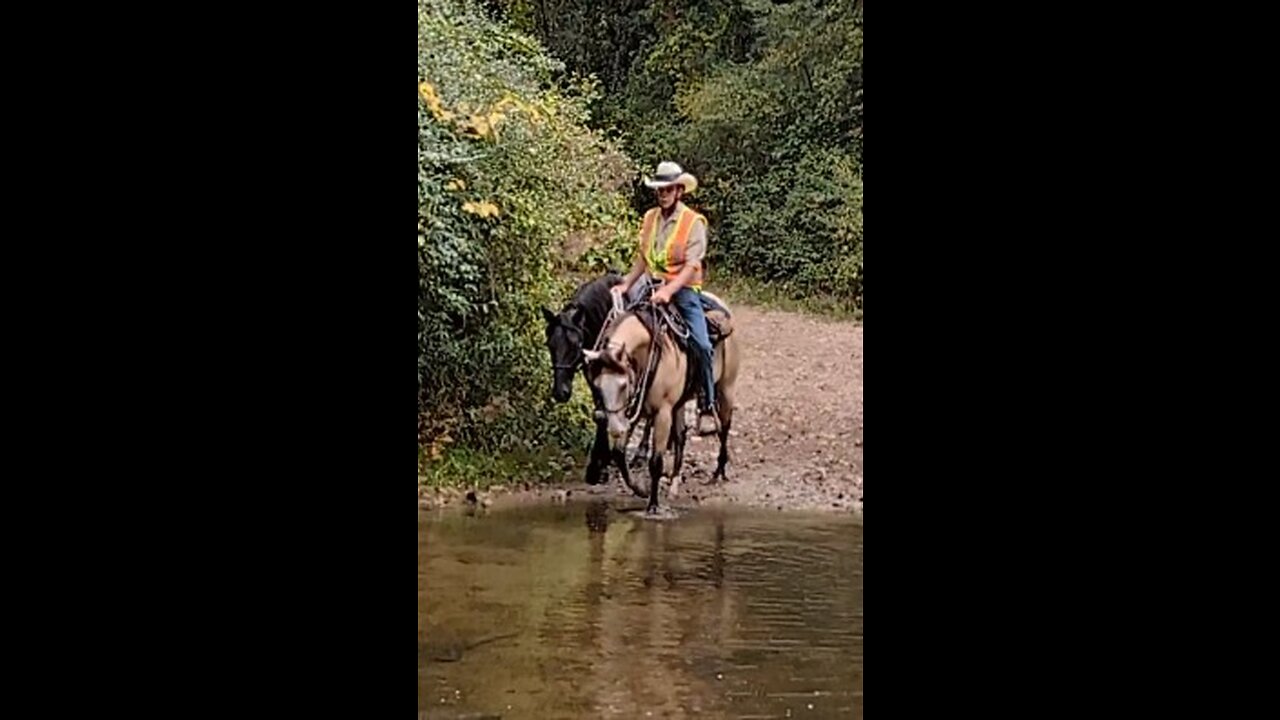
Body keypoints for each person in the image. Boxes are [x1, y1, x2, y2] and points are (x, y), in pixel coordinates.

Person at [612, 161, 720, 436]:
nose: (662, 194)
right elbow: (643, 257)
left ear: (679, 191)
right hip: (650, 285)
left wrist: (668, 291)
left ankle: (707, 405)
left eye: (668, 189)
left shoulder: (693, 222)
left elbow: (692, 266)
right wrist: (627, 284)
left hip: (682, 291)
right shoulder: (650, 218)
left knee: (702, 342)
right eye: (659, 189)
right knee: (619, 327)